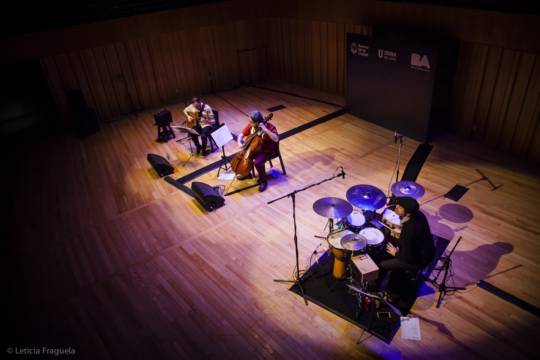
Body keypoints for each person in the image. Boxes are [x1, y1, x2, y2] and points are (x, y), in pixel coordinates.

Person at [378, 196, 435, 292]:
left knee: (382, 265)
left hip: (418, 261)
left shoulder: (410, 230)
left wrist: (395, 253)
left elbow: (407, 257)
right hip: (428, 250)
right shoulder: (419, 215)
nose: (396, 207)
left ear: (408, 212)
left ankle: (379, 288)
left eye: (400, 207)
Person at [237, 111, 279, 192]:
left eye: (251, 122)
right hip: (254, 149)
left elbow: (276, 139)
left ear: (257, 122)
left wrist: (265, 130)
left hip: (266, 151)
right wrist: (239, 142)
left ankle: (263, 180)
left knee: (257, 162)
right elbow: (241, 135)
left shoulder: (270, 127)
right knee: (244, 156)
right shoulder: (251, 126)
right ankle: (247, 174)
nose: (249, 123)